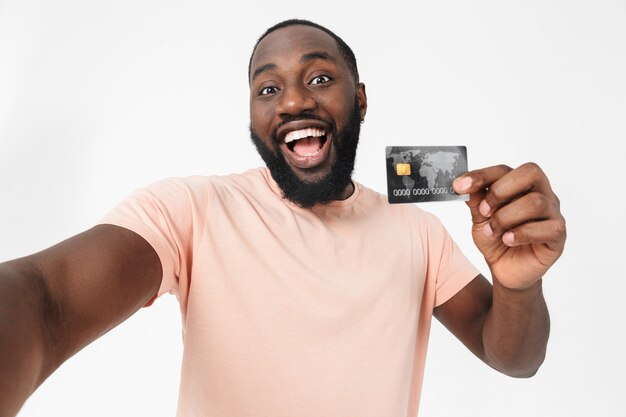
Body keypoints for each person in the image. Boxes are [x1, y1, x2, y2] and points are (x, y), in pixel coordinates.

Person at [0, 19, 566, 417]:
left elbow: (512, 357)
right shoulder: (190, 210)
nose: (293, 102)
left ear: (360, 100)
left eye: (319, 78)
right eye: (268, 88)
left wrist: (519, 285)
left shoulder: (417, 233)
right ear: (251, 113)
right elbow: (48, 300)